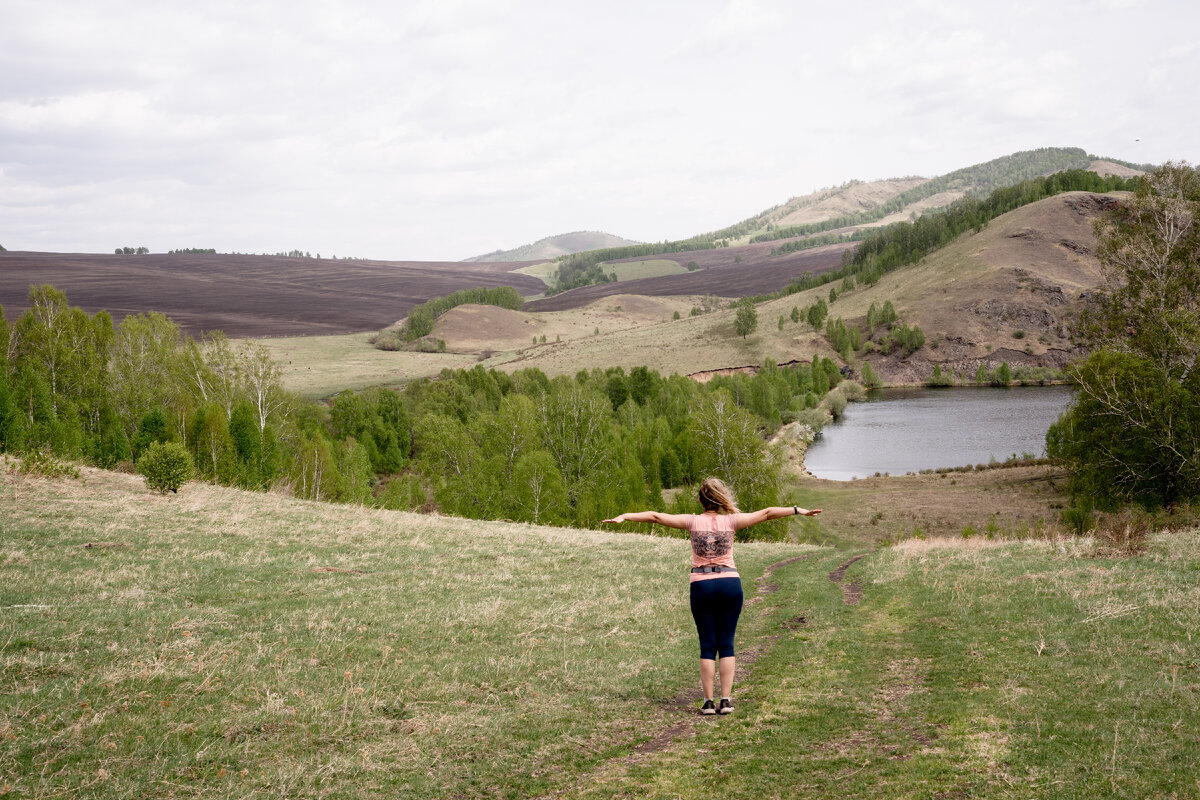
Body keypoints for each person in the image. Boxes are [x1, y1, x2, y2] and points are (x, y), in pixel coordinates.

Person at [603, 477, 821, 715]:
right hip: (729, 583)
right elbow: (768, 512)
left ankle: (708, 703)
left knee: (707, 645)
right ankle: (725, 701)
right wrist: (799, 510)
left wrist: (625, 516)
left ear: (699, 500)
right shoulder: (732, 521)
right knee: (726, 644)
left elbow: (655, 516)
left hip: (701, 584)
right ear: (718, 501)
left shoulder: (691, 521)